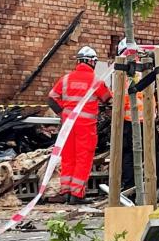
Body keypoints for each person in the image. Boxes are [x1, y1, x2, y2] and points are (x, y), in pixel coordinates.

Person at [48, 46, 112, 204]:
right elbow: (108, 100)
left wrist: (63, 113)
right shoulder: (96, 81)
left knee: (68, 157)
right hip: (86, 126)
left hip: (67, 125)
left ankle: (66, 192)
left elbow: (51, 98)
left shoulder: (66, 79)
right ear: (92, 62)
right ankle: (77, 194)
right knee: (83, 158)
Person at [117, 38, 159, 199]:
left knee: (128, 157)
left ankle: (130, 192)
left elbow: (116, 97)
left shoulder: (120, 72)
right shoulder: (146, 70)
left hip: (129, 121)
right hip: (148, 120)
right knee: (155, 156)